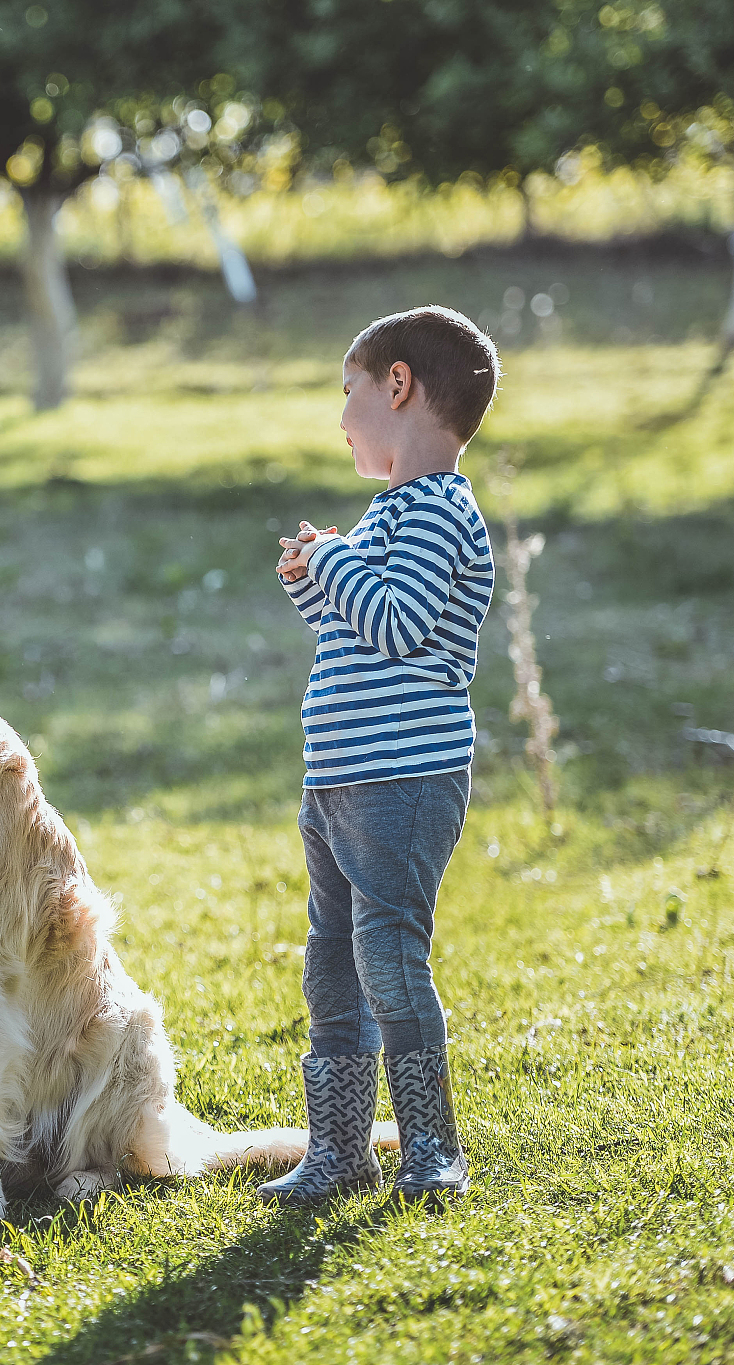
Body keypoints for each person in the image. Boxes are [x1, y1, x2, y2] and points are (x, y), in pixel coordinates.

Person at [261, 305, 499, 1203]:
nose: (341, 414)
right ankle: (340, 1148)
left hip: (402, 779)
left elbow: (395, 624)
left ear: (397, 384)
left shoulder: (438, 510)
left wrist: (335, 563)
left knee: (389, 958)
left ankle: (431, 1146)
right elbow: (353, 629)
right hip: (339, 782)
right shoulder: (389, 513)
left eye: (347, 390)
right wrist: (309, 582)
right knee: (331, 962)